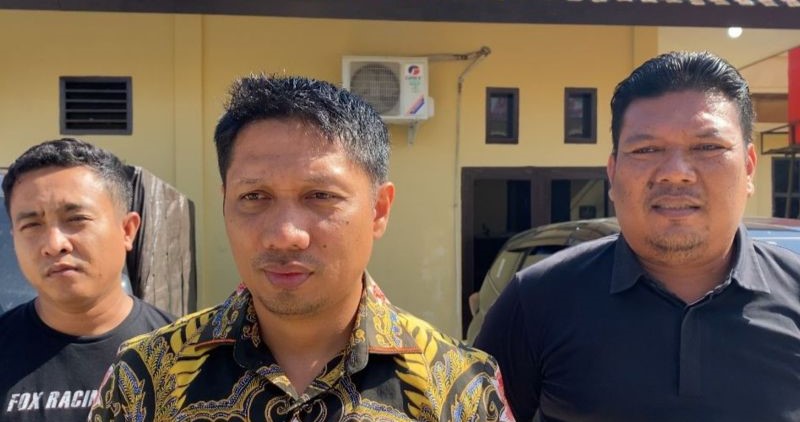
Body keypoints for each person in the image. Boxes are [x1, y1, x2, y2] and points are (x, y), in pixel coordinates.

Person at [88, 75, 514, 421]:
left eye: (320, 196)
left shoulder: (458, 387)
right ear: (225, 203)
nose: (285, 234)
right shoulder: (147, 375)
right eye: (254, 197)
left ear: (379, 210)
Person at [475, 51, 800, 421]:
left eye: (707, 147)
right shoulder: (535, 301)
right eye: (646, 149)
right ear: (612, 174)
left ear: (749, 168)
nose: (676, 172)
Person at [0, 138, 174, 422]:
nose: (54, 244)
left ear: (127, 230)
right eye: (31, 225)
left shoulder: (185, 355)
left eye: (76, 219)